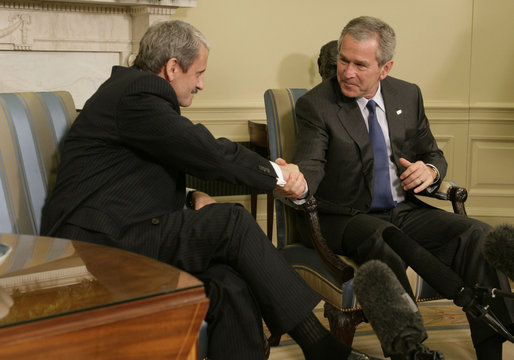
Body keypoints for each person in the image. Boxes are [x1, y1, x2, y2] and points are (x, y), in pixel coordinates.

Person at [40, 20, 381, 360]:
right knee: (230, 222)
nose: (202, 84)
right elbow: (204, 151)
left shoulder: (131, 93)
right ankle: (319, 346)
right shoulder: (137, 93)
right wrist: (277, 174)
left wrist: (192, 196)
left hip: (118, 231)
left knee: (228, 283)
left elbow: (131, 177)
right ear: (173, 67)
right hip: (95, 248)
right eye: (199, 72)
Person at [292, 16, 513, 360]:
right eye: (343, 60)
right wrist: (296, 181)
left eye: (359, 64)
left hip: (404, 211)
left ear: (385, 67)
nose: (347, 72)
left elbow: (433, 154)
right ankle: (409, 350)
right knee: (383, 241)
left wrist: (430, 171)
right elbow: (310, 166)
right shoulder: (317, 105)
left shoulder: (407, 94)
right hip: (347, 216)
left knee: (478, 236)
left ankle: (492, 346)